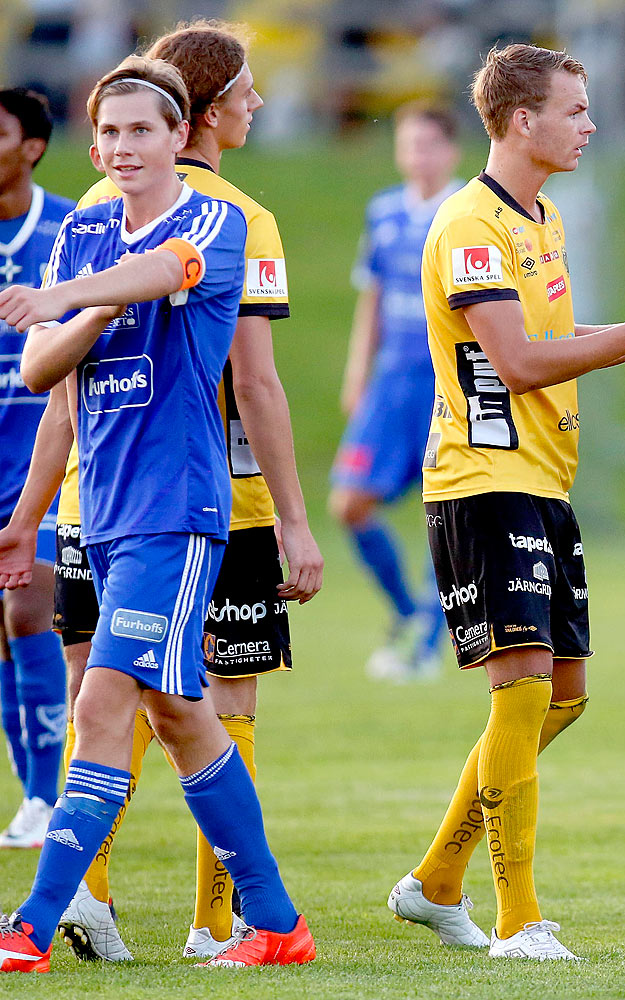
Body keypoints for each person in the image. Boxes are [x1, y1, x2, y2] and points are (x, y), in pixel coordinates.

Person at [0, 21, 324, 963]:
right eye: (108, 134)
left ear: (179, 137)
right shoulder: (86, 227)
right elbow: (41, 375)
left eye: (142, 131)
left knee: (102, 703)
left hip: (174, 512)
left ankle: (29, 927)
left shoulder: (215, 219)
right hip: (95, 514)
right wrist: (90, 306)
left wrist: (70, 298)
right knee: (178, 716)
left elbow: (170, 271)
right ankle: (277, 926)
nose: (121, 148)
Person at [390, 43, 625, 961]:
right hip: (482, 484)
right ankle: (517, 920)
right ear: (521, 120)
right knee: (524, 687)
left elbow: (558, 335)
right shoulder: (469, 226)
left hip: (542, 482)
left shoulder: (544, 218)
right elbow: (520, 363)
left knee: (560, 697)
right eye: (575, 109)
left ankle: (434, 881)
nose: (590, 123)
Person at [331, 100, 461, 682]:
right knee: (349, 503)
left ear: (452, 151)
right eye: (409, 143)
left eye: (429, 144)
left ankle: (427, 641)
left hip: (447, 380)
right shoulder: (383, 211)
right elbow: (373, 297)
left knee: (449, 508)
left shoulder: (466, 211)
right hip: (391, 381)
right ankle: (410, 613)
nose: (418, 155)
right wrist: (358, 374)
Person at [0, 89, 73, 850]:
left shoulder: (64, 227)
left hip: (42, 460)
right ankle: (30, 796)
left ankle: (44, 796)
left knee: (29, 611)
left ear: (31, 148)